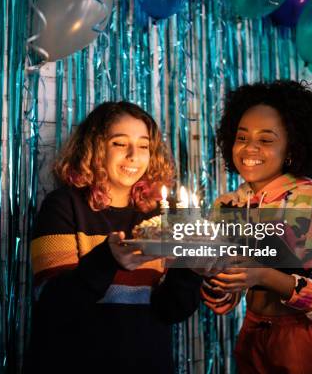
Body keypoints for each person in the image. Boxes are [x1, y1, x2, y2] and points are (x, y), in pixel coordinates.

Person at [27, 101, 203, 373]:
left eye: (144, 146)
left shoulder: (156, 218)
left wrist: (190, 269)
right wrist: (107, 260)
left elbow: (170, 311)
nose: (134, 156)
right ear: (96, 149)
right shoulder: (63, 205)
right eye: (120, 144)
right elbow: (53, 305)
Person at [200, 80, 312, 373]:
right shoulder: (227, 207)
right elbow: (225, 300)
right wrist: (213, 279)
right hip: (253, 342)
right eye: (242, 137)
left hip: (311, 346)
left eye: (266, 139)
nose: (250, 148)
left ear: (291, 147)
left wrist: (264, 275)